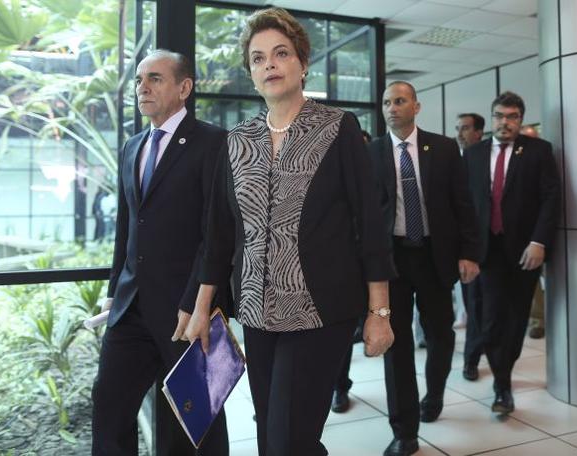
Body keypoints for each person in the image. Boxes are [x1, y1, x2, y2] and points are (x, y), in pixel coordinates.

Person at [175, 8, 396, 455]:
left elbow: (369, 225)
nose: (270, 65)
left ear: (302, 63)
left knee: (287, 441)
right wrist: (200, 309)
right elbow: (217, 236)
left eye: (281, 54)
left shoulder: (338, 128)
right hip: (256, 313)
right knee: (270, 436)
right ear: (251, 73)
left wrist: (380, 312)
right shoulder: (236, 142)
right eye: (258, 59)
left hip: (319, 310)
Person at [91, 50, 229, 455]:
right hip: (130, 309)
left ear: (184, 88)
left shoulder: (213, 142)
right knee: (109, 408)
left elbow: (215, 234)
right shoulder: (132, 147)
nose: (142, 88)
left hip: (186, 311)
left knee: (196, 422)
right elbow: (125, 229)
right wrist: (114, 291)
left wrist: (195, 302)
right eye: (138, 80)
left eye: (154, 78)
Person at [368, 81, 480, 456]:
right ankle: (404, 430)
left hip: (435, 255)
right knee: (395, 343)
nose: (391, 108)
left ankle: (433, 395)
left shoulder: (444, 149)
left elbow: (463, 204)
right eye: (386, 102)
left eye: (399, 101)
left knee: (440, 334)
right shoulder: (372, 153)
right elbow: (365, 218)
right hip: (393, 259)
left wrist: (469, 253)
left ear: (416, 106)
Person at [463, 91, 559, 414]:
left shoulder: (538, 151)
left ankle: (503, 379)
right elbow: (464, 205)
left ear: (521, 119)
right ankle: (502, 381)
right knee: (489, 320)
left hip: (524, 251)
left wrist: (539, 242)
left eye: (512, 117)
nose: (505, 122)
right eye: (500, 116)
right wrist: (465, 250)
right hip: (486, 252)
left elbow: (550, 198)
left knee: (517, 318)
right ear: (492, 119)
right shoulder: (473, 154)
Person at [331, 128, 373, 414]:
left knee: (341, 337)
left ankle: (339, 387)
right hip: (328, 264)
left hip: (353, 266)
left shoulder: (368, 174)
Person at [456, 113, 486, 382]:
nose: (460, 133)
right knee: (473, 305)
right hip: (468, 249)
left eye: (465, 128)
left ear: (479, 132)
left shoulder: (483, 159)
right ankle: (472, 358)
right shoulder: (460, 161)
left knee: (490, 308)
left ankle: (479, 353)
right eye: (458, 129)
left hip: (495, 247)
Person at [519, 124, 546, 340]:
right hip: (525, 236)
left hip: (548, 234)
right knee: (534, 283)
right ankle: (537, 319)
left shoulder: (545, 156)